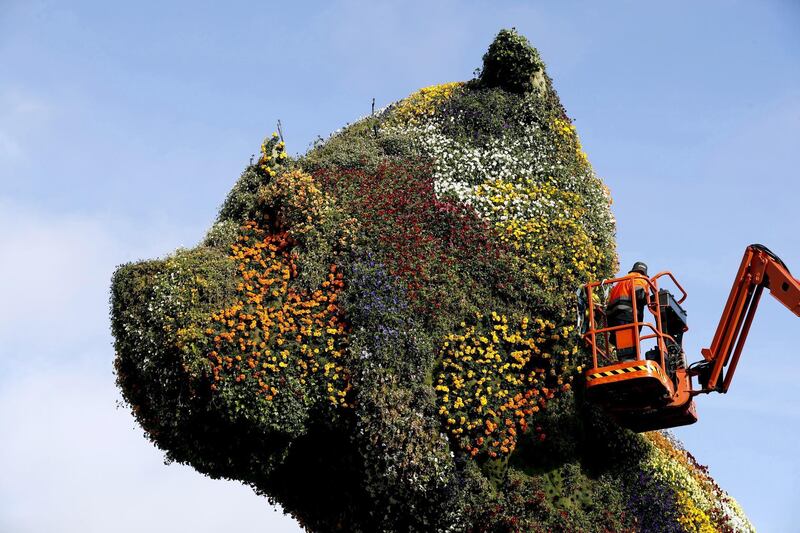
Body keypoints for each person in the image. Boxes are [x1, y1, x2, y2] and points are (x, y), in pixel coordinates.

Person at [606, 262, 650, 361]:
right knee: (628, 348)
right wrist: (649, 299)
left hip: (613, 318)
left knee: (621, 343)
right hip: (626, 315)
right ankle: (628, 360)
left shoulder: (620, 282)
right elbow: (639, 294)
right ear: (644, 273)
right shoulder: (640, 279)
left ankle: (624, 359)